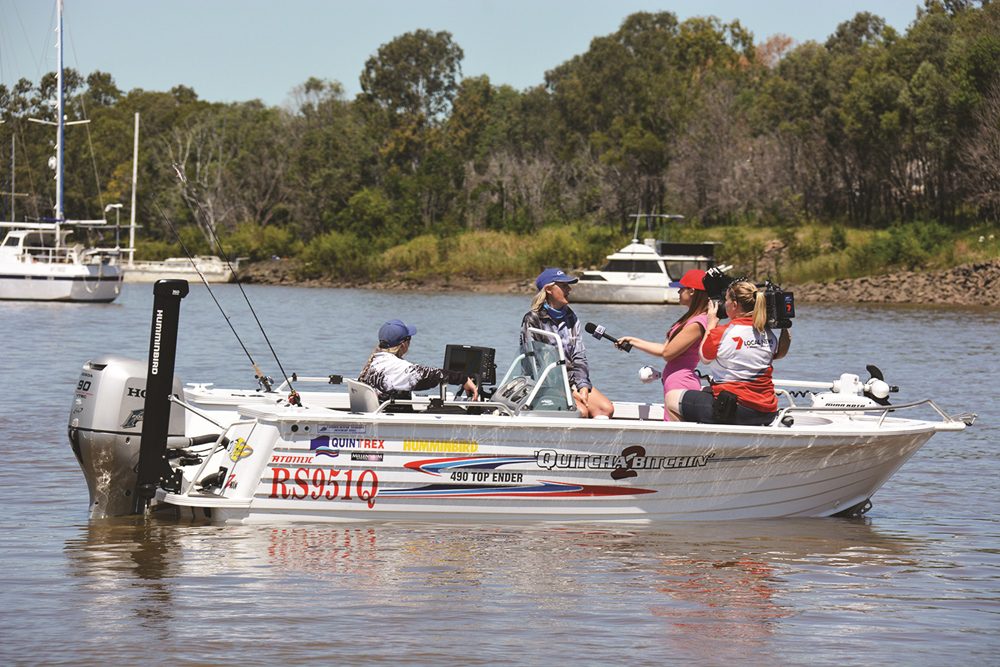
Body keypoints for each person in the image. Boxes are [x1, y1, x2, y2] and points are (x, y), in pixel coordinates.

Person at [675, 279, 791, 425]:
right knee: (704, 390)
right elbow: (778, 354)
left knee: (672, 398)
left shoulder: (722, 333)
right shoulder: (768, 334)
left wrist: (711, 323)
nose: (724, 304)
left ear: (735, 305)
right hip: (767, 411)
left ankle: (695, 445)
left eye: (726, 300)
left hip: (737, 410)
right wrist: (785, 323)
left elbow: (704, 357)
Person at [614, 269, 710, 421]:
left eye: (681, 288)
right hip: (674, 380)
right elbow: (664, 349)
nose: (678, 291)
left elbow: (667, 353)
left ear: (692, 291)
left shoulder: (698, 322)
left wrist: (634, 341)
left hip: (681, 381)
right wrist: (632, 340)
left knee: (677, 436)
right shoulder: (688, 319)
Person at [520, 268, 614, 418]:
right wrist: (571, 392)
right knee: (581, 412)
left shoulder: (571, 317)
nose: (569, 289)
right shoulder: (532, 319)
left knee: (605, 409)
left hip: (571, 380)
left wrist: (582, 386)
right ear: (549, 289)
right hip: (545, 383)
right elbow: (534, 364)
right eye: (564, 286)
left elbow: (579, 355)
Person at [358, 319, 478, 403]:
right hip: (394, 423)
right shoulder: (396, 367)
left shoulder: (375, 362)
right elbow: (430, 375)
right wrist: (463, 379)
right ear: (403, 344)